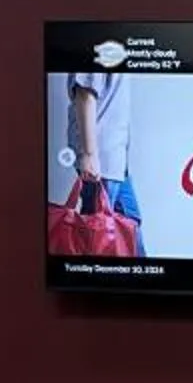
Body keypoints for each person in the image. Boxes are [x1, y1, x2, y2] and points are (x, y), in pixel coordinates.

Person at [49, 69, 140, 254]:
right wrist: (89, 154)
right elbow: (85, 94)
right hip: (102, 157)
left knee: (130, 225)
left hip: (115, 158)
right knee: (96, 236)